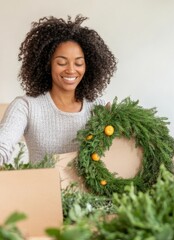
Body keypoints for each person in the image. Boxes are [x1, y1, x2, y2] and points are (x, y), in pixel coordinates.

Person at [0, 15, 117, 165]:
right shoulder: (26, 106)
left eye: (79, 63)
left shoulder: (99, 107)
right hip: (42, 187)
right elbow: (3, 143)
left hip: (88, 189)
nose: (71, 70)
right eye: (61, 62)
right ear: (47, 64)